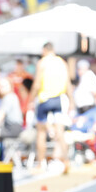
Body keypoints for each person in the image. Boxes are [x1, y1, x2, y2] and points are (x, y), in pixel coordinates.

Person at [28, 42, 72, 172]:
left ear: (44, 50)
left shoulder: (43, 63)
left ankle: (41, 163)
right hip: (58, 99)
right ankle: (66, 160)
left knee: (41, 132)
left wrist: (30, 99)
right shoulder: (62, 63)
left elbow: (37, 83)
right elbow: (68, 84)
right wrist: (72, 101)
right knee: (60, 131)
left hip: (45, 99)